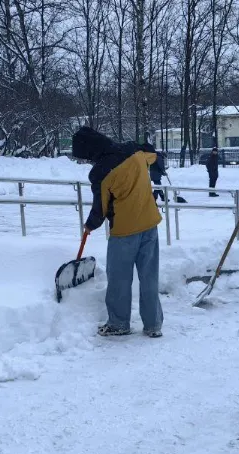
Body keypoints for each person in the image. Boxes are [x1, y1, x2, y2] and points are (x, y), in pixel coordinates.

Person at [72, 126, 164, 338]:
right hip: (150, 224)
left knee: (120, 280)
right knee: (149, 277)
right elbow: (152, 155)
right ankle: (153, 325)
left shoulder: (101, 173)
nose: (86, 161)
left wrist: (89, 225)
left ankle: (119, 323)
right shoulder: (134, 150)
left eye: (84, 157)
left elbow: (101, 208)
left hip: (124, 232)